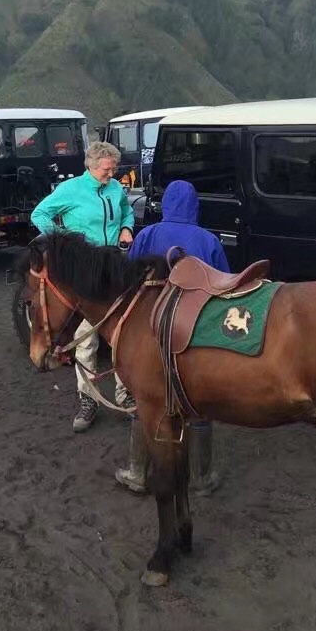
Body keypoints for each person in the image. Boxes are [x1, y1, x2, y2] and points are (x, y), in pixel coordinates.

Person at [114, 179, 227, 497]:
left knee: (146, 398)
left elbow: (129, 277)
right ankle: (200, 478)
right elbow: (225, 285)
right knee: (196, 404)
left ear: (166, 205)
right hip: (194, 331)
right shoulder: (208, 239)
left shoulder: (147, 233)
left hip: (152, 327)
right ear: (195, 206)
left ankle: (137, 471)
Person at [31, 140, 135, 431]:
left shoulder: (115, 188)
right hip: (85, 271)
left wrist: (127, 228)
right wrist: (67, 243)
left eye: (114, 169)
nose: (111, 174)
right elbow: (38, 215)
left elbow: (126, 210)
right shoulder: (70, 190)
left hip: (114, 266)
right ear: (91, 166)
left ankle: (125, 395)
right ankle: (87, 399)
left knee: (121, 335)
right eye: (107, 169)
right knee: (86, 338)